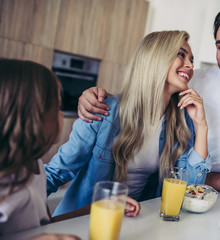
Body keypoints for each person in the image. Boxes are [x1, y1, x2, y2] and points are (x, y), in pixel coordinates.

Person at [77, 6, 220, 200]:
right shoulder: (193, 79)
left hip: (214, 199)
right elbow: (143, 97)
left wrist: (185, 176)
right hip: (156, 195)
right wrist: (96, 96)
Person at [45, 30, 211, 217]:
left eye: (191, 59)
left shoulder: (182, 121)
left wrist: (202, 126)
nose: (190, 65)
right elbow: (57, 172)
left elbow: (188, 190)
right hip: (88, 221)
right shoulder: (104, 111)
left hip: (137, 220)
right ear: (155, 58)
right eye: (181, 54)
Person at [0, 59, 77, 239]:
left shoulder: (36, 167)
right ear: (31, 117)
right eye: (57, 107)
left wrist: (97, 207)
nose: (62, 114)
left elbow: (45, 225)